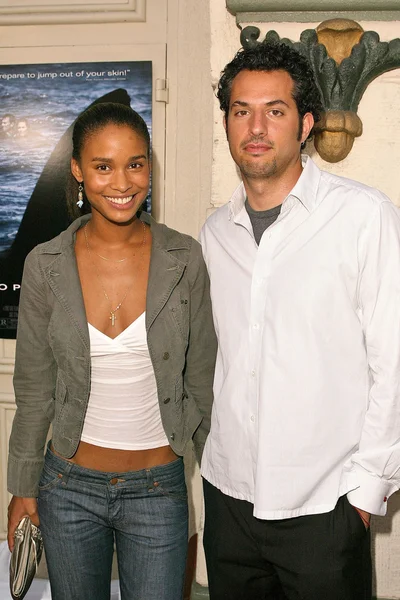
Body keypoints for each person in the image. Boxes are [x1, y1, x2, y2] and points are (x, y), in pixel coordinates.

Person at [200, 40, 400, 600]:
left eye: (276, 110)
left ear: (306, 123)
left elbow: (395, 362)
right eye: (242, 111)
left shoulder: (364, 217)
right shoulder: (215, 233)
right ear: (227, 123)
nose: (256, 126)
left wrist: (364, 497)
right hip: (228, 501)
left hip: (324, 509)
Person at [7, 102, 217, 600]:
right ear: (78, 171)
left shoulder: (185, 258)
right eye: (103, 166)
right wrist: (22, 486)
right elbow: (34, 391)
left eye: (136, 164)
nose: (122, 182)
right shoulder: (45, 265)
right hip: (68, 487)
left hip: (159, 488)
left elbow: (203, 378)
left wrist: (220, 479)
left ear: (149, 166)